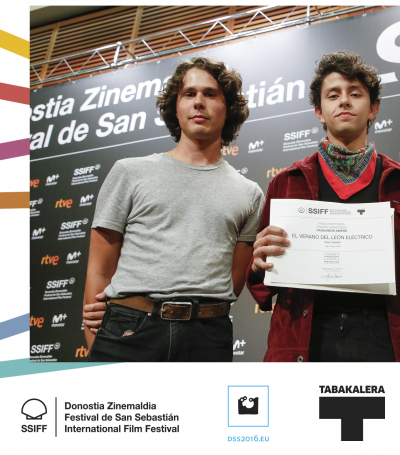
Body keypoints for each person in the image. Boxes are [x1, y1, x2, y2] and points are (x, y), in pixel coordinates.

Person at [247, 51, 400, 362]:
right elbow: (261, 282)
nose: (344, 102)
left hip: (394, 343)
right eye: (333, 95)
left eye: (355, 94)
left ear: (373, 108)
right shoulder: (286, 183)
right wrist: (259, 264)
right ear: (319, 112)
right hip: (308, 343)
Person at [82, 56, 264, 361]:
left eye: (210, 94)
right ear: (175, 108)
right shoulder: (129, 172)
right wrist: (96, 342)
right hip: (128, 330)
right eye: (189, 94)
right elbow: (99, 268)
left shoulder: (250, 193)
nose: (199, 102)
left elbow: (233, 281)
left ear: (228, 108)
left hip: (208, 336)